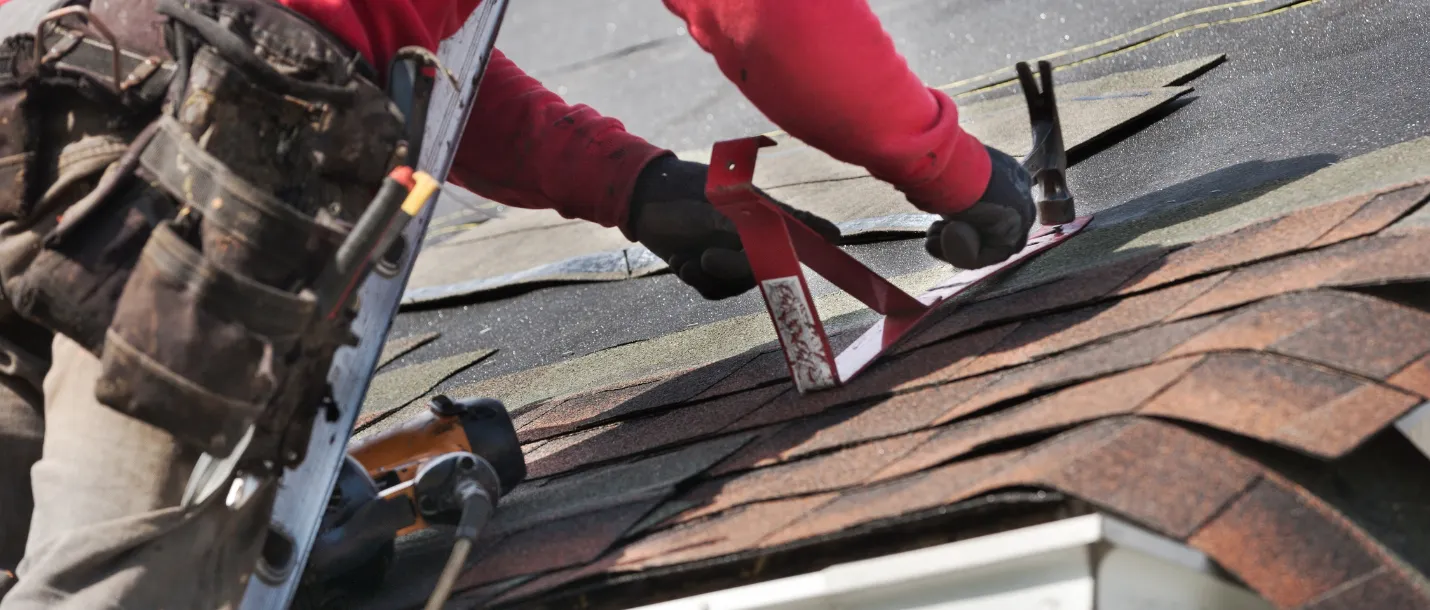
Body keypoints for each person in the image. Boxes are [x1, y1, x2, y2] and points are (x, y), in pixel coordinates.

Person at [0, 0, 1034, 608]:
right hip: (218, 168)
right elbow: (769, 23)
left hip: (66, 126)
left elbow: (386, 44)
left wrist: (621, 179)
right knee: (115, 585)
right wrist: (950, 168)